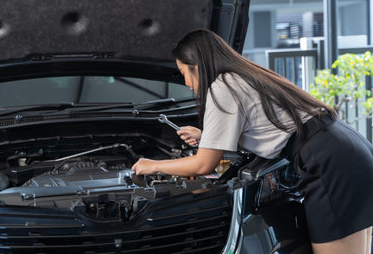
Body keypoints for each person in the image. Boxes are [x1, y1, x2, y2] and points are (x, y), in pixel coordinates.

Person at [131, 29, 373, 254]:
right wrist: (207, 137)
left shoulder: (222, 87)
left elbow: (203, 165)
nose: (185, 83)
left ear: (198, 66)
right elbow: (262, 126)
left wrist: (152, 165)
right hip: (347, 149)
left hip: (329, 164)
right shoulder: (239, 76)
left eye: (183, 73)